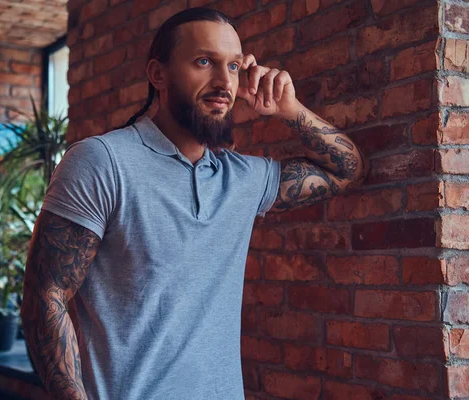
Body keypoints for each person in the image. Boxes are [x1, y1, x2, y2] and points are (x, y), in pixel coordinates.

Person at [21, 7, 368, 400]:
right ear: (158, 74)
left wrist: (289, 109)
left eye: (234, 67)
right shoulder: (102, 161)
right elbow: (45, 295)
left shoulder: (241, 178)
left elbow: (346, 168)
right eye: (204, 62)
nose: (224, 82)